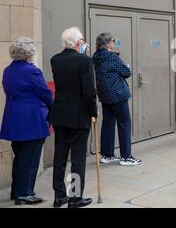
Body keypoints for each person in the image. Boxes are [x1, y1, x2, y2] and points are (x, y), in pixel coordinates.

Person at [0, 38, 53, 206]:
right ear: (29, 54)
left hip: (14, 118)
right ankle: (25, 193)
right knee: (30, 158)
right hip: (31, 119)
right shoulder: (31, 71)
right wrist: (54, 106)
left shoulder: (8, 70)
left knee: (20, 155)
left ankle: (17, 190)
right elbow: (44, 93)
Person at [49, 27, 98, 208]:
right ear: (78, 42)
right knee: (77, 160)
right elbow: (89, 92)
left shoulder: (55, 60)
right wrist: (94, 112)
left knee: (59, 157)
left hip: (60, 114)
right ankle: (75, 198)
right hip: (79, 116)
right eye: (82, 41)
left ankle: (59, 196)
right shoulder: (84, 61)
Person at [92, 33, 141, 166]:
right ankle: (126, 157)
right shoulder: (112, 57)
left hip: (105, 95)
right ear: (108, 43)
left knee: (108, 123)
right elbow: (126, 72)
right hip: (118, 94)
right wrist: (127, 67)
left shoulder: (96, 57)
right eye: (113, 40)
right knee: (124, 123)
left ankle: (107, 155)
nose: (114, 42)